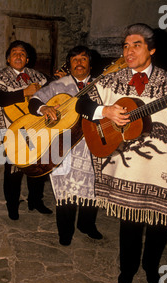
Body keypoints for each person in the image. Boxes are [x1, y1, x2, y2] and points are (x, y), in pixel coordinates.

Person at [75, 23, 167, 283]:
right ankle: (127, 270)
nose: (128, 51)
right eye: (125, 46)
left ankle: (151, 268)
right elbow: (82, 103)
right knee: (129, 224)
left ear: (151, 48)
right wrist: (105, 112)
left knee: (158, 225)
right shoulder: (111, 79)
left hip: (159, 167)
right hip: (125, 168)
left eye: (136, 45)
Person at [28, 45, 103, 246]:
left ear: (90, 62)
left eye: (83, 59)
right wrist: (44, 108)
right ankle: (65, 230)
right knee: (65, 190)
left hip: (92, 144)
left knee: (92, 187)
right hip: (64, 146)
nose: (79, 63)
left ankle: (87, 225)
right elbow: (34, 101)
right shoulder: (58, 85)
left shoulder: (102, 84)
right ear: (69, 64)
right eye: (74, 60)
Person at [0, 40, 52, 220]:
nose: (18, 56)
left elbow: (53, 92)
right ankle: (12, 205)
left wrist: (57, 78)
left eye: (22, 53)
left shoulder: (38, 76)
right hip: (11, 130)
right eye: (14, 53)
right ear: (8, 59)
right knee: (13, 171)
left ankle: (36, 201)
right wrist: (23, 92)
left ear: (27, 59)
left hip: (36, 128)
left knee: (37, 168)